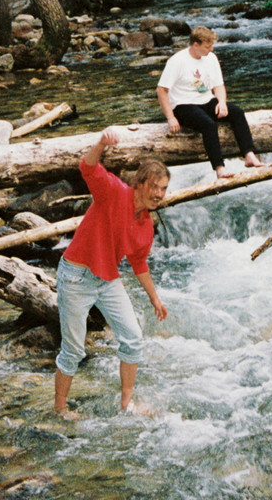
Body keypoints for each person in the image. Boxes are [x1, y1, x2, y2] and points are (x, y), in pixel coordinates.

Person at [54, 127, 169, 419]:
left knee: (133, 339)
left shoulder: (146, 225)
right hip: (76, 276)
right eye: (155, 187)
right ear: (140, 184)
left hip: (107, 280)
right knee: (74, 351)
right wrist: (101, 143)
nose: (159, 194)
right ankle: (60, 408)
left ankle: (127, 404)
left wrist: (155, 299)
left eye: (164, 189)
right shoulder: (114, 192)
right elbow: (87, 167)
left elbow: (139, 263)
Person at [157, 25, 265, 179]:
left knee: (237, 113)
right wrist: (170, 117)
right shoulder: (177, 61)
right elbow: (161, 89)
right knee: (208, 124)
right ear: (195, 45)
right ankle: (220, 169)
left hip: (206, 100)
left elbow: (218, 85)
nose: (211, 49)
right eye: (208, 46)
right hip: (182, 105)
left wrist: (221, 102)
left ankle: (249, 155)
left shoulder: (211, 58)